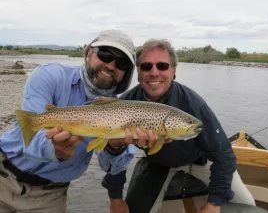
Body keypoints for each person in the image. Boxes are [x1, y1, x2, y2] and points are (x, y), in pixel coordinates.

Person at [0, 30, 157, 213]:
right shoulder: (49, 75)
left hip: (51, 196)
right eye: (105, 55)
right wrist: (55, 149)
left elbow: (111, 167)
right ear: (89, 53)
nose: (111, 65)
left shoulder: (120, 110)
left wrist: (115, 147)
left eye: (121, 63)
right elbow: (27, 139)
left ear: (126, 72)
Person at [102, 39, 256, 213]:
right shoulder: (126, 103)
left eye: (162, 66)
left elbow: (224, 156)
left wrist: (214, 203)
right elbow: (114, 157)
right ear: (138, 72)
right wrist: (115, 197)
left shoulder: (194, 104)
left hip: (201, 162)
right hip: (159, 164)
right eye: (146, 66)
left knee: (247, 205)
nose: (154, 73)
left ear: (173, 71)